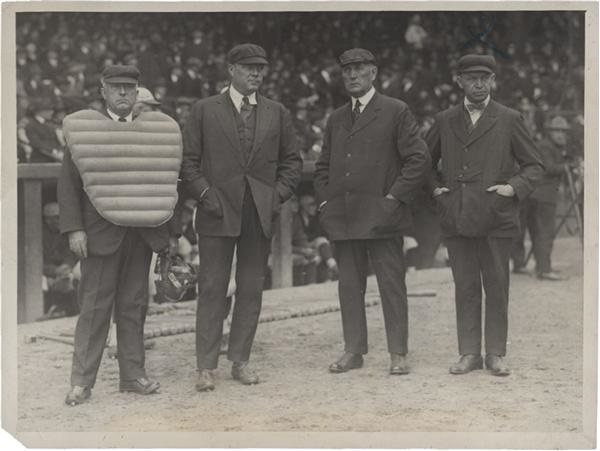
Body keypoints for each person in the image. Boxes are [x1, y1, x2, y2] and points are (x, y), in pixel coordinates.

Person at [59, 65, 182, 406]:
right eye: (116, 88)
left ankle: (132, 375)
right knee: (94, 308)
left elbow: (167, 181)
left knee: (134, 306)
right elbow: (68, 185)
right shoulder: (85, 133)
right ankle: (81, 382)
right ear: (104, 91)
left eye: (129, 87)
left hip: (141, 234)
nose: (124, 93)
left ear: (137, 91)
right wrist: (74, 229)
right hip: (99, 235)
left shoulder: (153, 135)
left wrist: (169, 233)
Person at [181, 43, 301, 391]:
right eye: (249, 67)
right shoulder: (204, 110)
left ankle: (240, 360)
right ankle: (205, 367)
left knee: (251, 288)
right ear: (230, 69)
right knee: (212, 288)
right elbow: (189, 162)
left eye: (261, 68)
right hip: (216, 211)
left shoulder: (277, 112)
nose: (256, 73)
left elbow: (291, 163)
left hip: (258, 213)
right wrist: (205, 194)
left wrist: (275, 196)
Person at [314, 48, 430, 376]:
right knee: (349, 286)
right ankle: (354, 350)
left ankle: (398, 353)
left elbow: (418, 160)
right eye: (346, 69)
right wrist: (326, 202)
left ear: (373, 73)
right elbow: (323, 166)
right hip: (344, 217)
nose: (352, 75)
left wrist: (393, 199)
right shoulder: (336, 118)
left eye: (359, 68)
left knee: (391, 285)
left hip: (382, 217)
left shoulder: (395, 110)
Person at [426, 54, 544, 376]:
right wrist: (437, 191)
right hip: (458, 216)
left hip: (496, 217)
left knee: (496, 286)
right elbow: (422, 163)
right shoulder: (444, 119)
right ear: (459, 81)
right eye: (472, 77)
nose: (479, 84)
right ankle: (468, 353)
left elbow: (534, 166)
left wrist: (512, 188)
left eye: (485, 78)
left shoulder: (509, 118)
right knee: (464, 287)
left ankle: (495, 353)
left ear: (493, 81)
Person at [512, 116, 569, 281]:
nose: (561, 135)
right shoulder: (545, 146)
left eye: (563, 132)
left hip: (535, 195)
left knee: (535, 232)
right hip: (542, 196)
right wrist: (566, 167)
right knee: (544, 232)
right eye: (557, 131)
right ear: (549, 132)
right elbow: (548, 168)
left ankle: (527, 265)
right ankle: (543, 269)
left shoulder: (552, 147)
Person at [41, 202, 80, 318]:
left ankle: (68, 311)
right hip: (44, 273)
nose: (60, 220)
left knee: (75, 278)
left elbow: (69, 253)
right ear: (48, 220)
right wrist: (54, 271)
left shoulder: (63, 232)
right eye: (57, 218)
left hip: (62, 271)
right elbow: (33, 262)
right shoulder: (38, 234)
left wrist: (66, 266)